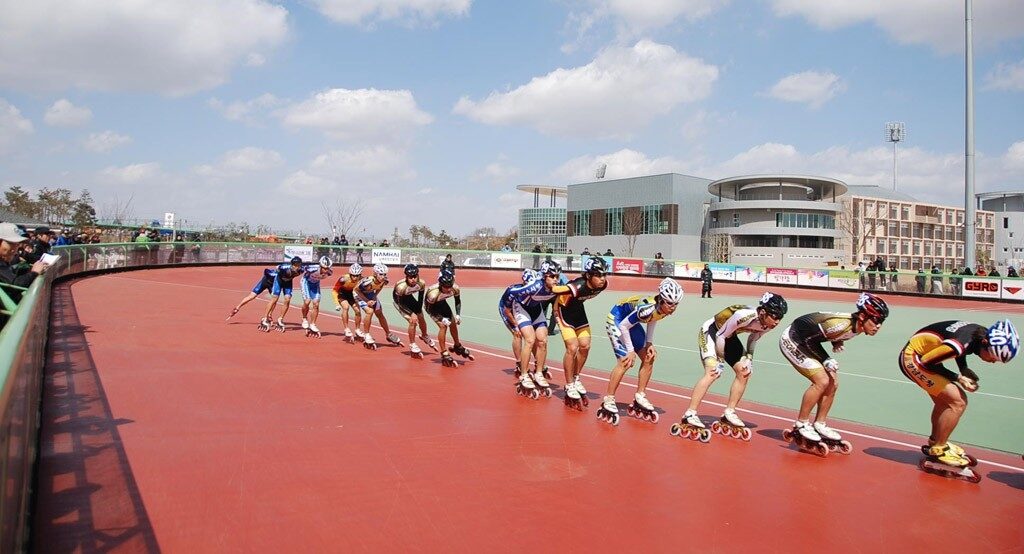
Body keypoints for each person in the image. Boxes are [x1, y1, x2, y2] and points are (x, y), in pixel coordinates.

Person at [900, 319, 1018, 481]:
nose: (992, 362)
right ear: (985, 343)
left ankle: (935, 442)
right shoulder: (960, 343)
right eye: (993, 357)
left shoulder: (979, 333)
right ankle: (939, 449)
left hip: (924, 354)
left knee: (944, 402)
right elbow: (928, 362)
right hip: (914, 359)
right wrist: (958, 377)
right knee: (958, 402)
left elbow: (961, 349)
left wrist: (963, 368)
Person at [778, 293, 889, 455]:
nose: (878, 325)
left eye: (881, 321)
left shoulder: (857, 326)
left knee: (833, 382)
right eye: (876, 320)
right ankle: (801, 423)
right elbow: (810, 338)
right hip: (793, 338)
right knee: (821, 381)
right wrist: (825, 359)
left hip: (807, 339)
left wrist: (837, 341)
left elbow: (827, 335)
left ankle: (820, 424)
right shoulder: (840, 325)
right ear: (863, 316)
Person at [674, 292, 788, 441]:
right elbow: (720, 336)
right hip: (712, 332)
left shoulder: (769, 323)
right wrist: (720, 361)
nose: (777, 321)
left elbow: (753, 338)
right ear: (762, 312)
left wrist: (749, 358)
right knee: (712, 372)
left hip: (729, 336)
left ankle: (729, 412)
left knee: (744, 372)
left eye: (780, 317)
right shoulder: (744, 315)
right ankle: (690, 413)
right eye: (775, 316)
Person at [597, 278, 684, 425]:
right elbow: (624, 326)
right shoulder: (647, 309)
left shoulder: (663, 308)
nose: (673, 307)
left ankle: (640, 395)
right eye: (670, 303)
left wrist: (649, 342)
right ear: (661, 299)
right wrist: (630, 351)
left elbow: (653, 319)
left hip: (632, 322)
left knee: (649, 357)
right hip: (618, 319)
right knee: (625, 361)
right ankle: (609, 399)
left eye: (676, 304)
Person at [553, 256, 608, 410]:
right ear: (588, 275)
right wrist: (552, 281)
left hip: (578, 311)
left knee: (585, 346)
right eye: (598, 275)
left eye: (604, 274)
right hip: (563, 311)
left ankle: (576, 377)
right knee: (572, 347)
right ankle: (569, 384)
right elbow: (556, 290)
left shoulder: (603, 285)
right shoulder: (578, 286)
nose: (603, 279)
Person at [503, 261, 562, 397]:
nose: (556, 280)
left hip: (536, 310)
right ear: (544, 276)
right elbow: (510, 293)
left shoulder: (557, 288)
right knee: (530, 340)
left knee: (542, 340)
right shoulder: (533, 287)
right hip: (521, 308)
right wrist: (512, 320)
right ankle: (524, 374)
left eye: (557, 276)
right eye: (552, 276)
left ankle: (539, 372)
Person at [425, 269, 472, 366]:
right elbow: (430, 309)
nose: (448, 289)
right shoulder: (433, 294)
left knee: (453, 323)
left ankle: (457, 345)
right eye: (446, 287)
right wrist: (442, 319)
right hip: (432, 306)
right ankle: (444, 352)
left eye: (450, 286)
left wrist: (458, 314)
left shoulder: (455, 288)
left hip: (442, 303)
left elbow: (457, 300)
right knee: (443, 326)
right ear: (441, 285)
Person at [499, 269, 540, 377]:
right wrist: (516, 325)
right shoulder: (514, 291)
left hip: (520, 310)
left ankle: (538, 361)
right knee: (517, 334)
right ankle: (519, 362)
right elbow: (507, 311)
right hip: (507, 310)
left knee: (532, 336)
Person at [392, 263, 437, 359]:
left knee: (421, 317)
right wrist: (412, 314)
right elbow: (399, 303)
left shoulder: (421, 283)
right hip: (400, 302)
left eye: (415, 276)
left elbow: (420, 300)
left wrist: (417, 311)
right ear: (406, 277)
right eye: (410, 277)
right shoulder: (401, 287)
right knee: (413, 321)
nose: (413, 279)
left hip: (409, 298)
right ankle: (412, 344)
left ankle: (424, 335)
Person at [354, 263, 401, 350]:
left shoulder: (384, 280)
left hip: (371, 294)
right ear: (375, 274)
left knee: (379, 313)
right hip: (359, 295)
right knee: (370, 311)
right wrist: (367, 301)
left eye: (384, 274)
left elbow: (379, 287)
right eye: (380, 274)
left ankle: (388, 334)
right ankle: (367, 334)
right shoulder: (367, 282)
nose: (383, 276)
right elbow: (356, 290)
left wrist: (375, 296)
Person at [259, 256, 304, 332]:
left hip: (288, 283)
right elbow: (277, 268)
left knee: (287, 299)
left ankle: (280, 319)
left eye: (299, 265)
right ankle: (265, 318)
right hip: (279, 281)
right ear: (292, 265)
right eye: (296, 265)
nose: (298, 267)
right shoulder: (284, 267)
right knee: (274, 299)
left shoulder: (301, 270)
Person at [0, 223, 47, 293]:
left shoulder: (4, 260)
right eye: (11, 243)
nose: (15, 249)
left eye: (17, 244)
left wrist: (31, 269)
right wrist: (34, 272)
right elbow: (16, 285)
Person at [297, 256, 333, 338]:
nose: (326, 270)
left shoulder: (330, 272)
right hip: (306, 282)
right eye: (324, 268)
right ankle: (304, 318)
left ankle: (313, 324)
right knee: (307, 301)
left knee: (316, 304)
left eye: (328, 268)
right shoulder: (312, 268)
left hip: (315, 284)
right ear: (320, 266)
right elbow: (302, 268)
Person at [331, 263, 365, 341]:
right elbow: (334, 290)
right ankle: (346, 329)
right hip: (342, 293)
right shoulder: (343, 279)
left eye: (357, 275)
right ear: (350, 274)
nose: (355, 277)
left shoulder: (362, 280)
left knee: (357, 311)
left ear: (360, 275)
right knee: (346, 307)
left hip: (352, 294)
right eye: (353, 275)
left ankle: (357, 329)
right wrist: (336, 303)